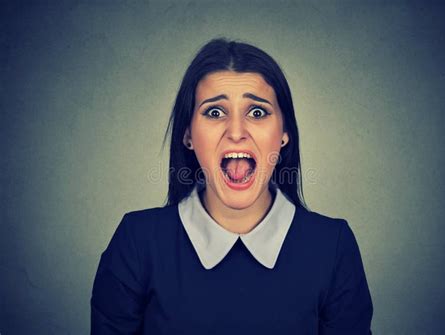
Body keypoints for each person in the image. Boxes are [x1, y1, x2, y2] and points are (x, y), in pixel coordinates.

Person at [90, 38, 373, 334]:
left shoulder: (333, 246)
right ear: (188, 135)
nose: (236, 132)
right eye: (215, 112)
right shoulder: (136, 242)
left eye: (257, 112)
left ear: (284, 133)